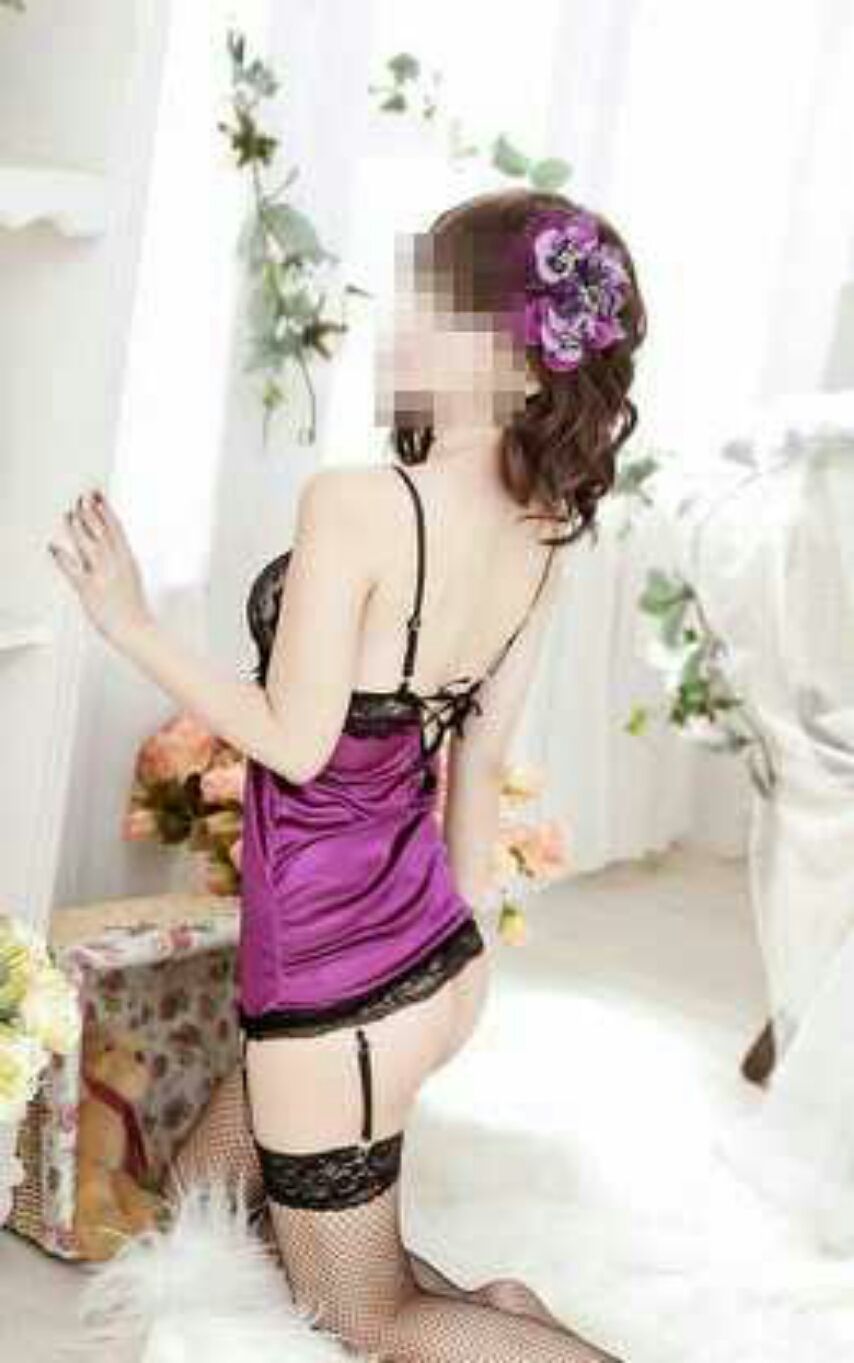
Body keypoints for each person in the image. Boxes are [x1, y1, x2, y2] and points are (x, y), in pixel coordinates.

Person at [49, 185, 646, 1361]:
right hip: (423, 954)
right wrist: (457, 956)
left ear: (516, 361)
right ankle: (504, 1315)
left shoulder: (360, 503)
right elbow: (478, 759)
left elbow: (295, 741)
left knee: (367, 1318)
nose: (401, 323)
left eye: (436, 307)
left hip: (341, 986)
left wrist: (128, 622)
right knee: (201, 1201)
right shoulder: (538, 526)